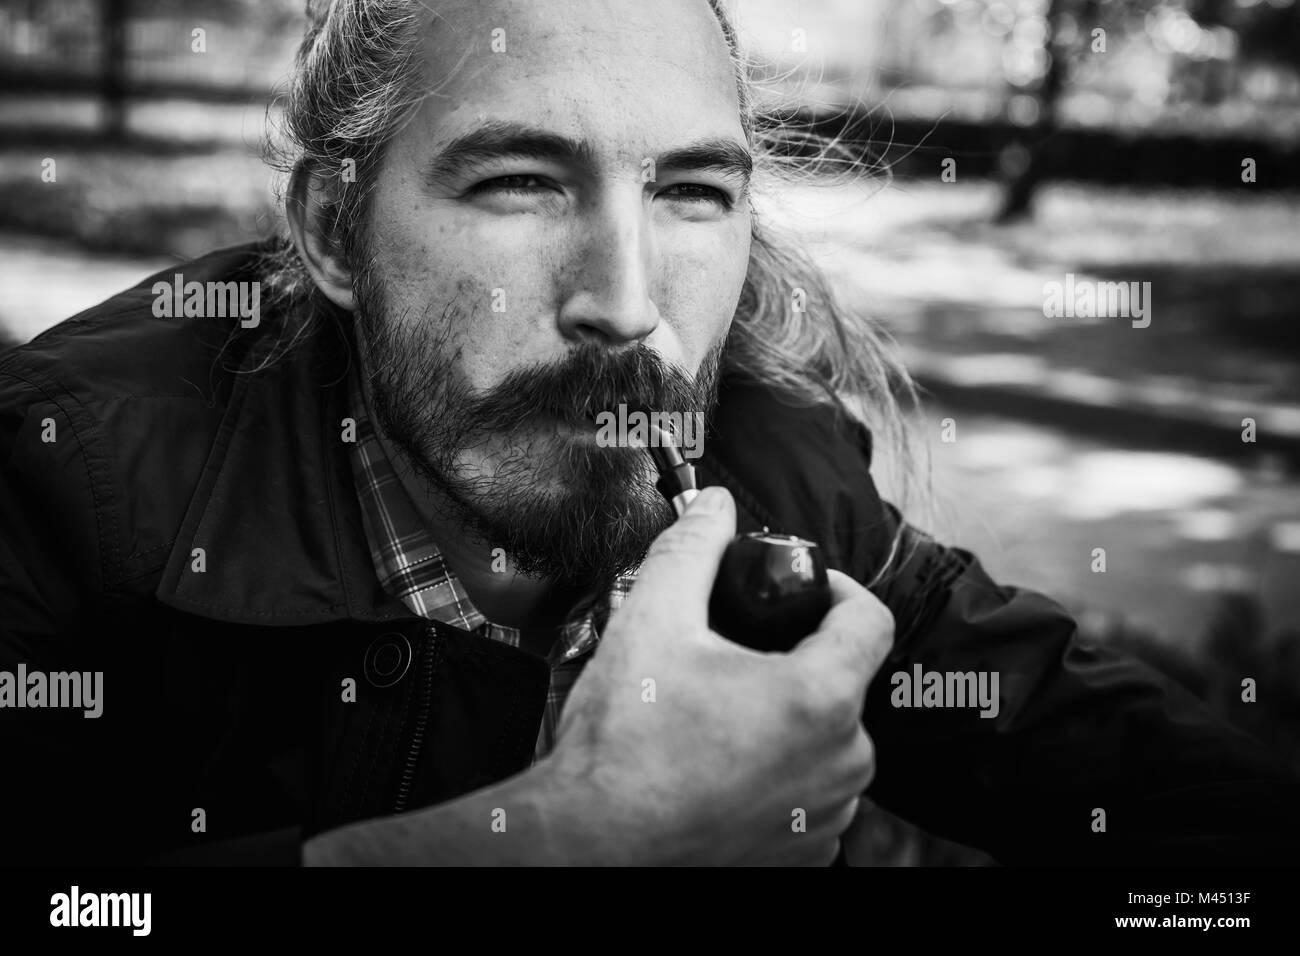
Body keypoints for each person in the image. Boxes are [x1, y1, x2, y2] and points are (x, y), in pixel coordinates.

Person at [1, 0, 1296, 866]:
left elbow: (1061, 726)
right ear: (336, 232)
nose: (624, 307)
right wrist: (561, 843)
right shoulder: (57, 491)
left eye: (690, 191)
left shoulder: (777, 468)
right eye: (518, 181)